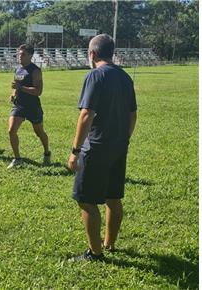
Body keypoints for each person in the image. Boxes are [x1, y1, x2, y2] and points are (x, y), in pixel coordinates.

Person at [67, 34, 137, 261]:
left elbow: (86, 114)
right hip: (118, 146)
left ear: (92, 54)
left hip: (96, 146)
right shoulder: (125, 77)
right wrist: (122, 139)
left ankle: (95, 252)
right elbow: (132, 115)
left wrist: (75, 150)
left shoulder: (95, 76)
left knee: (86, 199)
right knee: (113, 197)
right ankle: (109, 243)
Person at [7, 44, 51, 169]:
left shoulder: (35, 71)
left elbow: (38, 91)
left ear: (30, 56)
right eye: (19, 54)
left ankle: (47, 152)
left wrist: (21, 88)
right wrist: (13, 94)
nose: (20, 56)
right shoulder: (18, 69)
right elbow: (16, 85)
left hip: (32, 106)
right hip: (19, 105)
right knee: (11, 131)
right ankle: (17, 159)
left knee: (39, 132)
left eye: (23, 54)